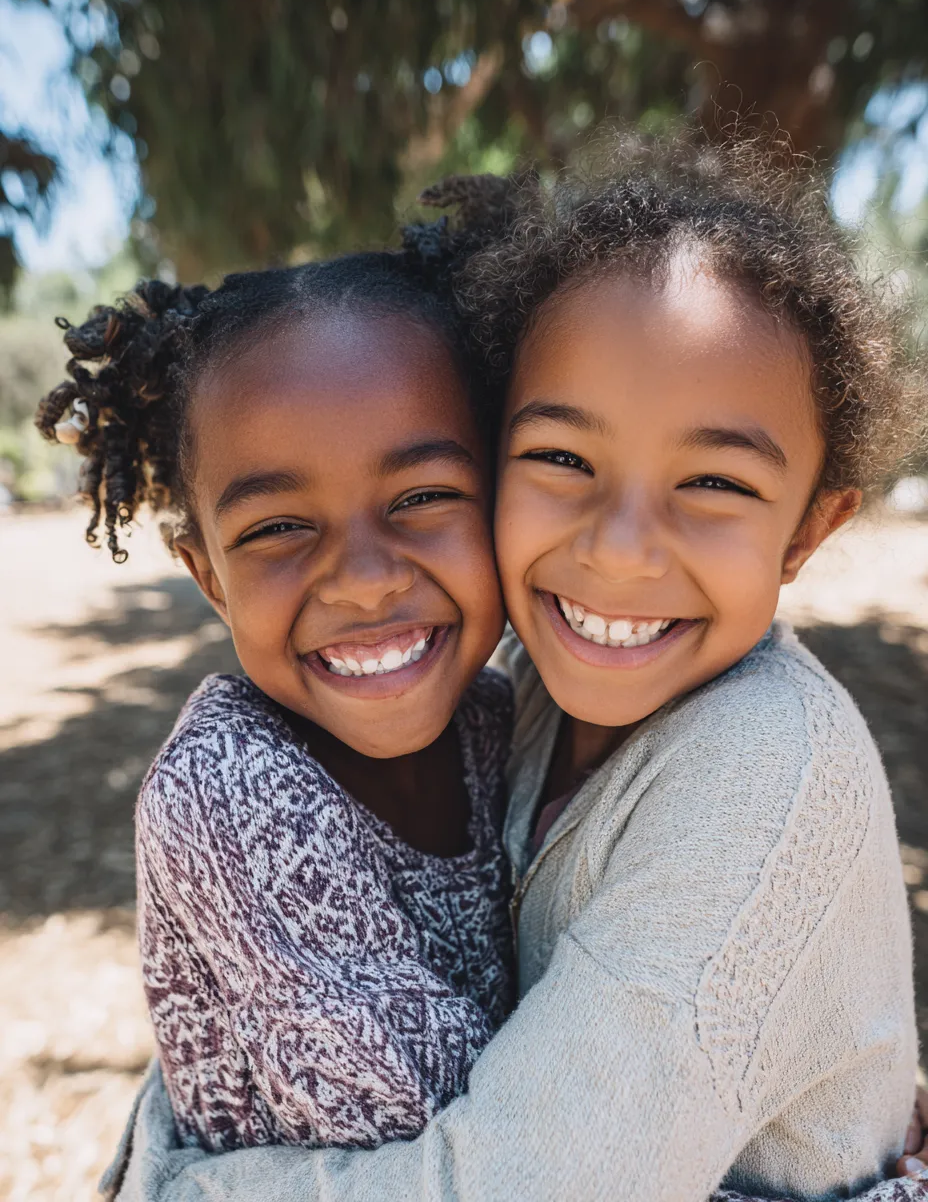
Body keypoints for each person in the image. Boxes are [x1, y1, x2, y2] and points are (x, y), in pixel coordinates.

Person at [70, 134, 928, 1202]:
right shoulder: (514, 695)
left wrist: (176, 1186)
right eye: (561, 458)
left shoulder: (764, 773)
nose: (617, 549)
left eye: (712, 480)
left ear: (808, 529)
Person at [37, 247, 519, 1152]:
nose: (365, 583)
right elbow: (499, 1163)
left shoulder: (500, 725)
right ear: (207, 576)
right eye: (279, 528)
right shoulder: (229, 791)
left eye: (422, 496)